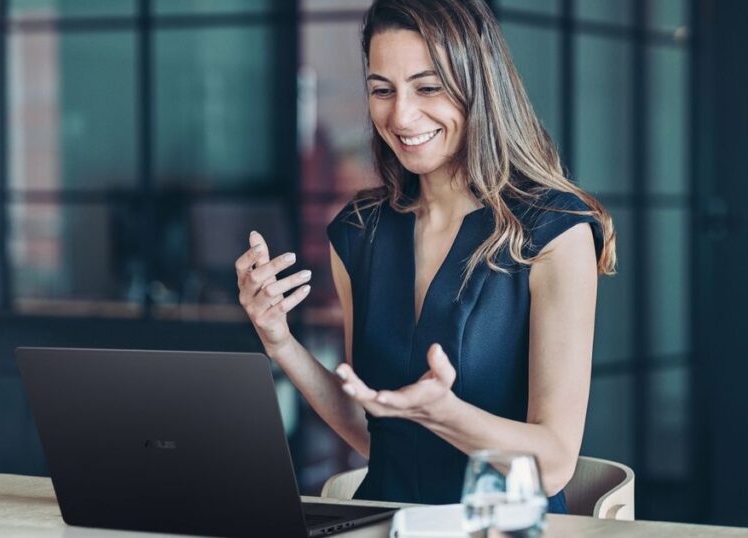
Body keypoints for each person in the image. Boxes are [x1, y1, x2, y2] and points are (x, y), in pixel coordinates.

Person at [235, 0, 616, 514]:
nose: (401, 115)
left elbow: (553, 464)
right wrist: (279, 342)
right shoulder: (358, 231)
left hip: (504, 529)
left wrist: (446, 415)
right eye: (381, 90)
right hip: (388, 522)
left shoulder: (553, 232)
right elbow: (376, 430)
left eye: (428, 87)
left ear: (476, 87)